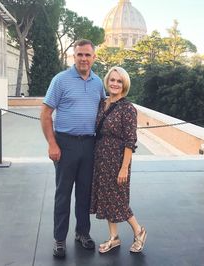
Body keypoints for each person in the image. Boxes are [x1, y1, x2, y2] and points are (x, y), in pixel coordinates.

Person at [40, 39, 105, 258]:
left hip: (89, 145)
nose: (84, 59)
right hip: (65, 144)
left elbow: (104, 111)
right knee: (63, 194)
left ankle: (82, 233)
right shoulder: (61, 80)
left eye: (88, 55)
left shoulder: (98, 83)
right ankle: (59, 239)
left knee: (85, 194)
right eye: (80, 55)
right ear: (74, 56)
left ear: (94, 57)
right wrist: (52, 143)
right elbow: (46, 113)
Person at [90, 66, 147, 254]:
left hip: (118, 161)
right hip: (101, 159)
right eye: (112, 80)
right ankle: (114, 238)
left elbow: (130, 141)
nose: (115, 84)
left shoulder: (128, 109)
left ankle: (139, 231)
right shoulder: (102, 104)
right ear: (107, 81)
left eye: (119, 81)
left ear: (125, 85)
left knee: (119, 201)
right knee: (107, 199)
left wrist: (124, 168)